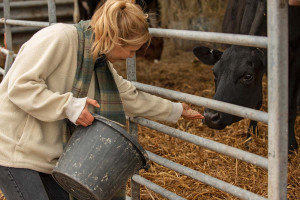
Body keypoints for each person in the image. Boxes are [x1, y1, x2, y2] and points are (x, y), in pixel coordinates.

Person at [0, 0, 204, 199]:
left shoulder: (98, 63)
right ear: (116, 39)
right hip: (14, 150)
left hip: (48, 157)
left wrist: (176, 110)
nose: (131, 56)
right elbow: (19, 86)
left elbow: (130, 97)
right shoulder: (59, 38)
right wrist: (69, 106)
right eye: (131, 50)